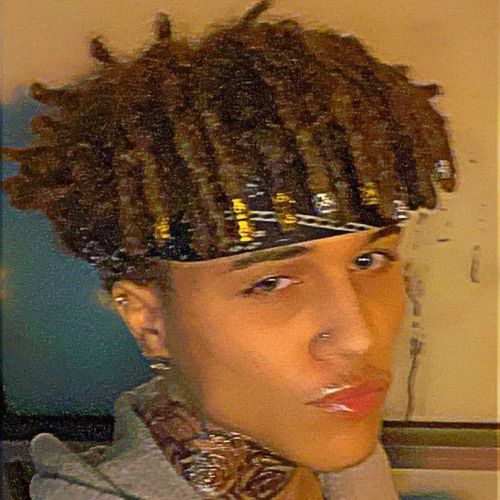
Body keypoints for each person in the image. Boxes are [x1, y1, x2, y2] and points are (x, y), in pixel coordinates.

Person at [3, 1, 456, 498]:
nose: (359, 337)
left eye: (368, 261)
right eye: (270, 282)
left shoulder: (330, 442)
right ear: (149, 320)